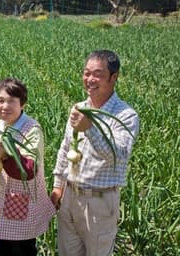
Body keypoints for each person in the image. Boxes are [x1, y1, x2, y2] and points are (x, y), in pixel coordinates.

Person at [50, 49, 140, 255]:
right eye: (86, 73)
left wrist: (89, 129)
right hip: (70, 197)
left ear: (113, 77)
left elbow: (117, 155)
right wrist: (57, 187)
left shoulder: (126, 115)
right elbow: (65, 150)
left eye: (97, 74)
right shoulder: (79, 108)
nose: (90, 79)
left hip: (99, 203)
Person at [0, 78, 56, 256]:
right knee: (2, 249)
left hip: (23, 204)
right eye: (0, 100)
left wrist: (7, 154)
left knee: (22, 251)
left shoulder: (31, 129)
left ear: (22, 104)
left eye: (11, 101)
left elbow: (29, 170)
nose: (5, 106)